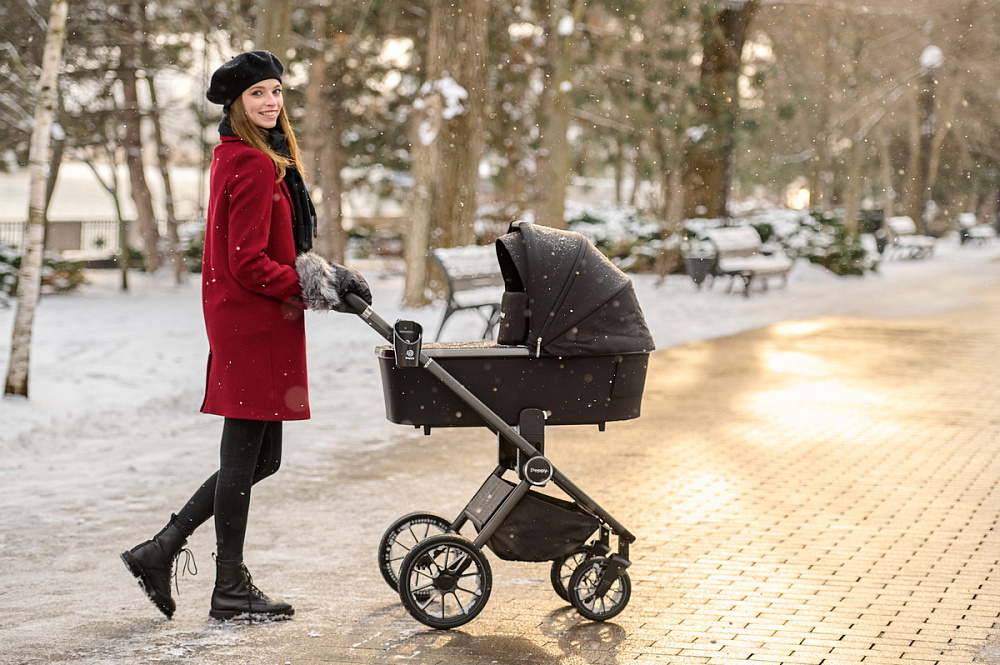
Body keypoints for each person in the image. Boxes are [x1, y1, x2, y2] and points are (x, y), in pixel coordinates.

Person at [121, 50, 371, 621]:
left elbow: (266, 252)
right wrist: (319, 287)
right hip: (254, 324)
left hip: (251, 321)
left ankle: (162, 550)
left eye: (276, 91)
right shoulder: (255, 164)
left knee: (262, 459)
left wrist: (324, 278)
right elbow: (249, 262)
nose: (271, 102)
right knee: (243, 460)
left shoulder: (243, 157)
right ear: (236, 103)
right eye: (258, 93)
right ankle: (226, 585)